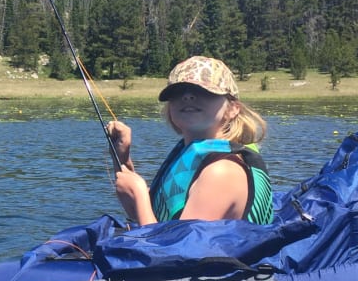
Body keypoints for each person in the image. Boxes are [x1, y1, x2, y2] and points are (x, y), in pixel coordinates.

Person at [108, 56, 273, 226]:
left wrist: (139, 194)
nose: (187, 96)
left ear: (232, 109)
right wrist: (122, 159)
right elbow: (147, 215)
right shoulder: (191, 154)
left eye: (204, 91)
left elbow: (173, 250)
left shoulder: (222, 172)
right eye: (178, 92)